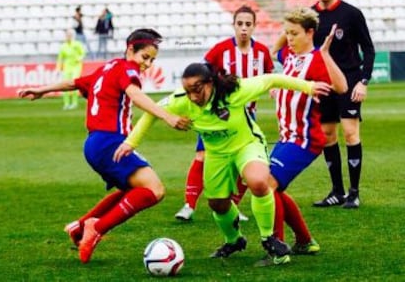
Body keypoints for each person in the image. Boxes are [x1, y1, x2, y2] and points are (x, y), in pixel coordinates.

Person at [115, 63, 332, 264]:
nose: (192, 96)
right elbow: (151, 112)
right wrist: (131, 142)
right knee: (217, 204)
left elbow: (271, 79)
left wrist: (309, 86)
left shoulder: (235, 90)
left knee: (258, 181)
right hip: (216, 154)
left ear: (210, 83)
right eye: (187, 90)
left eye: (196, 89)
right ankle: (234, 240)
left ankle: (270, 239)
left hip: (246, 145)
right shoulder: (181, 100)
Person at [18, 28, 191, 264]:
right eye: (145, 57)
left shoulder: (107, 68)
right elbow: (135, 94)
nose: (148, 64)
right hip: (110, 141)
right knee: (155, 190)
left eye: (152, 60)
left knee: (133, 191)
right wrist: (167, 116)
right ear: (131, 49)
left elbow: (74, 83)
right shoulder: (127, 69)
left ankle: (80, 227)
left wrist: (41, 90)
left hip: (94, 144)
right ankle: (96, 228)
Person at [174, 5, 274, 221]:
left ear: (254, 26)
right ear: (234, 25)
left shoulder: (262, 52)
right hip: (217, 115)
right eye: (240, 24)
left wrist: (273, 89)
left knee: (245, 164)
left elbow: (269, 75)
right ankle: (188, 206)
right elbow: (203, 74)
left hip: (247, 117)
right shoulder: (220, 50)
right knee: (202, 156)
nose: (244, 28)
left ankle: (234, 207)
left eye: (248, 24)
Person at [270, 7, 347, 253]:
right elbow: (275, 50)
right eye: (287, 33)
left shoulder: (316, 60)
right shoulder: (290, 56)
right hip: (287, 137)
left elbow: (342, 86)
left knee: (267, 185)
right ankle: (304, 241)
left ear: (310, 32)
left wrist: (324, 52)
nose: (288, 39)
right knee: (274, 188)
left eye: (294, 34)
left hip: (304, 139)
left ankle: (277, 247)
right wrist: (291, 26)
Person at [311, 0, 375, 209]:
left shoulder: (351, 14)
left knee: (350, 134)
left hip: (349, 81)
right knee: (328, 136)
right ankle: (336, 191)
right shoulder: (310, 17)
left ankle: (354, 193)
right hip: (324, 84)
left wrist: (363, 81)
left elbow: (368, 49)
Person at [56, 29, 86, 110]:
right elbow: (60, 59)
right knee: (64, 85)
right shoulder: (63, 46)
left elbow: (83, 53)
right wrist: (58, 68)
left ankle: (74, 103)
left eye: (69, 35)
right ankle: (66, 103)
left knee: (74, 84)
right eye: (67, 35)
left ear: (72, 36)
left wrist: (80, 58)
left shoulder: (77, 44)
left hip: (76, 67)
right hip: (67, 67)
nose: (68, 37)